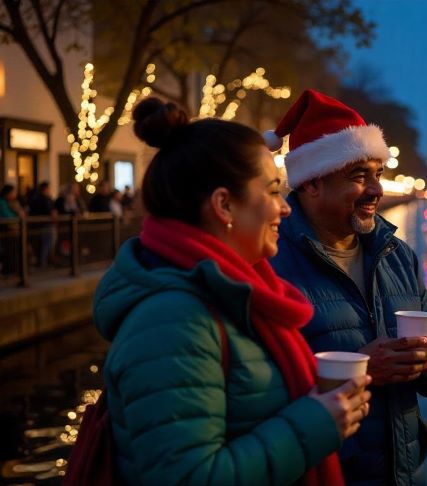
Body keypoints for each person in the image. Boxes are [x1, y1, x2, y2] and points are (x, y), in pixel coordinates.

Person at [90, 97, 371, 484]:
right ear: (224, 204)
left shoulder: (229, 295)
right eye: (272, 191)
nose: (285, 208)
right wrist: (314, 424)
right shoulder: (173, 322)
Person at [265, 89, 427, 485]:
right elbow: (256, 393)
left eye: (378, 174)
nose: (376, 190)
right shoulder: (270, 262)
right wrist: (363, 369)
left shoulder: (397, 255)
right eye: (358, 176)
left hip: (404, 473)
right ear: (312, 183)